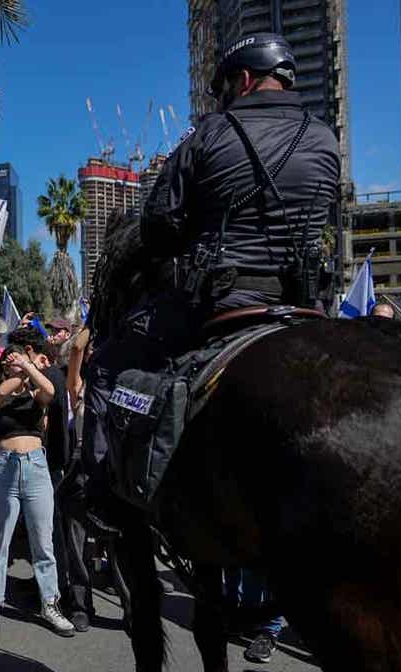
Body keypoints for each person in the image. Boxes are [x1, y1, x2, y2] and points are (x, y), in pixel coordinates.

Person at [84, 31, 340, 529]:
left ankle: (106, 496)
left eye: (225, 89)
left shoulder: (209, 133)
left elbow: (158, 228)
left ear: (242, 80)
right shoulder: (325, 137)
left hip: (221, 305)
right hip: (305, 305)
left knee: (106, 368)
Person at [0, 343, 75, 642]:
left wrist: (28, 367)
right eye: (9, 359)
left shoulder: (36, 394)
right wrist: (18, 371)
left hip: (35, 467)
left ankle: (50, 604)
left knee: (43, 542)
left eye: (17, 357)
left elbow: (50, 391)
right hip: (5, 467)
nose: (14, 362)